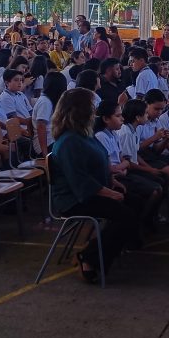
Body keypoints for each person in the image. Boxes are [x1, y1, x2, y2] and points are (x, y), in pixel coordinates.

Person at [47, 88, 142, 283]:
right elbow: (80, 180)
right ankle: (89, 258)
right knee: (125, 216)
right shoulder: (69, 142)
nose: (94, 111)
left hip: (92, 190)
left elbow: (98, 165)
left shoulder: (83, 134)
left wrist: (111, 181)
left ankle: (111, 246)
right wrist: (108, 192)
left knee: (136, 201)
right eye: (91, 107)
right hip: (75, 198)